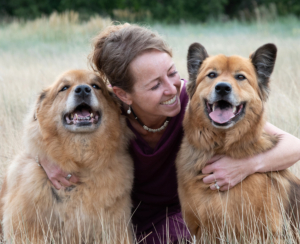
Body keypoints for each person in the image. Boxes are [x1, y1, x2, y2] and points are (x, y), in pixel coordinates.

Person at [40, 23, 300, 243]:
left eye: (172, 73)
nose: (172, 88)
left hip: (186, 220)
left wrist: (245, 165)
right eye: (155, 85)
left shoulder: (200, 100)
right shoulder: (105, 113)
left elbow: (293, 145)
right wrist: (44, 157)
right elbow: (46, 118)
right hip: (127, 226)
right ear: (123, 94)